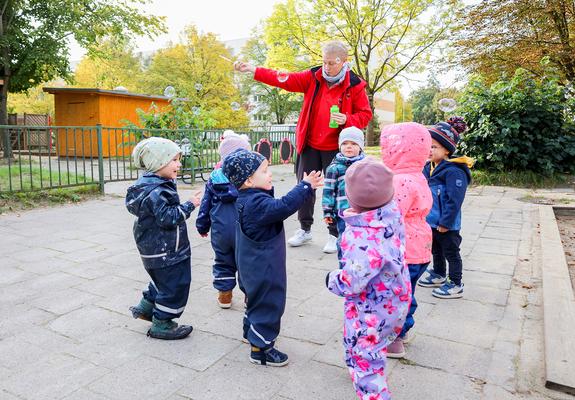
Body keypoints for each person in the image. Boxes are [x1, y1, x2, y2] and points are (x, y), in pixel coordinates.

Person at [234, 40, 372, 250]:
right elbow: (283, 79)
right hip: (310, 144)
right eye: (324, 62)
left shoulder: (355, 85)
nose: (326, 67)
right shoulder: (313, 77)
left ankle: (335, 233)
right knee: (306, 186)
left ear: (344, 62)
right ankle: (305, 229)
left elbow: (365, 115)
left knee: (337, 190)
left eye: (331, 63)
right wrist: (252, 68)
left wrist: (347, 119)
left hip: (338, 148)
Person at [222, 149, 323, 366]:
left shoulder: (245, 197)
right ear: (248, 180)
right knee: (269, 303)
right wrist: (304, 186)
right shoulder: (257, 204)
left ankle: (251, 331)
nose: (270, 175)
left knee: (255, 300)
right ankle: (261, 349)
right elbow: (283, 206)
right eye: (265, 171)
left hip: (251, 265)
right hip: (264, 267)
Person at [326, 159, 411, 400]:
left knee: (367, 359)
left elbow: (352, 280)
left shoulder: (362, 236)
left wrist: (332, 279)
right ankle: (355, 366)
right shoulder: (391, 214)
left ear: (351, 198)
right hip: (394, 298)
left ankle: (370, 388)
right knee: (364, 345)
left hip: (370, 308)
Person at [126, 137, 201, 340]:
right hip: (167, 250)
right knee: (175, 285)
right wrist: (190, 205)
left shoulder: (148, 186)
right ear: (158, 163)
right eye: (174, 160)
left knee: (161, 281)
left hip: (152, 249)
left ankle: (145, 308)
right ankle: (162, 323)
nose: (179, 164)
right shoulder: (157, 191)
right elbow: (170, 218)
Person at [380, 122, 432, 358]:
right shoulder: (418, 175)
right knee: (408, 291)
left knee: (396, 295)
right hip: (421, 246)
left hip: (404, 249)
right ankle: (406, 328)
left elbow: (392, 215)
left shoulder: (399, 180)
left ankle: (394, 339)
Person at [418, 117, 474, 299]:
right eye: (427, 145)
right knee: (435, 249)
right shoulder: (429, 167)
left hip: (447, 223)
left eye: (434, 147)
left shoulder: (454, 171)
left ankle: (456, 283)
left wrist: (446, 222)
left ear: (447, 149)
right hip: (431, 221)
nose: (429, 150)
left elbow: (454, 200)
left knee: (451, 251)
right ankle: (439, 273)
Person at [196, 132, 251, 308]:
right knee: (246, 262)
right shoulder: (249, 178)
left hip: (220, 231)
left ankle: (224, 295)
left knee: (222, 260)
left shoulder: (214, 178)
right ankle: (249, 296)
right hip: (245, 229)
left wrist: (202, 225)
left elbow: (205, 204)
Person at [322, 126, 365, 254]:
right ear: (340, 146)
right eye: (345, 143)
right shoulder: (334, 168)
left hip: (362, 211)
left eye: (353, 143)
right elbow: (328, 192)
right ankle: (344, 266)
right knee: (344, 240)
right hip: (343, 212)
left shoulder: (366, 165)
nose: (349, 146)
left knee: (361, 241)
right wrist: (327, 212)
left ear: (361, 146)